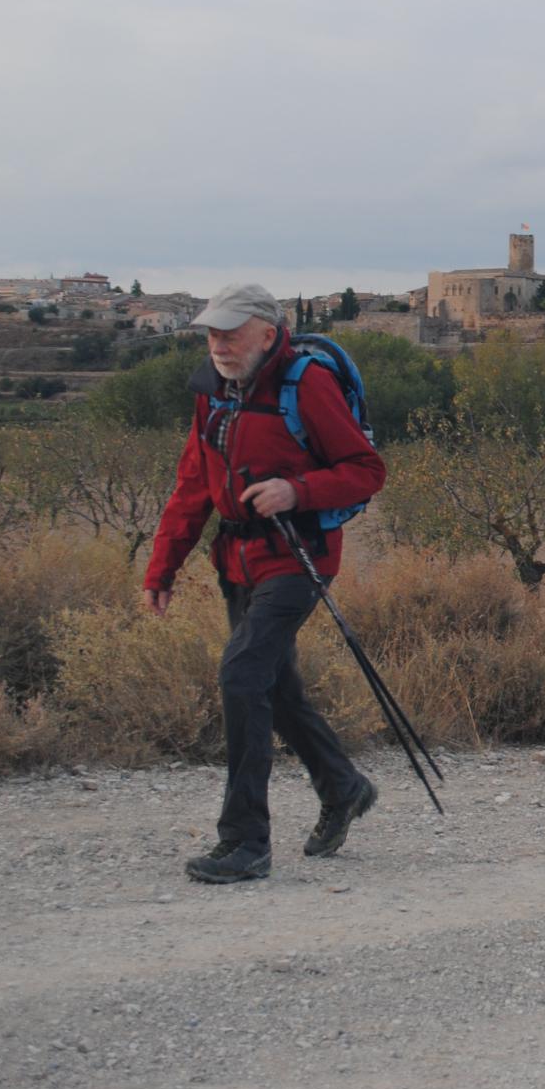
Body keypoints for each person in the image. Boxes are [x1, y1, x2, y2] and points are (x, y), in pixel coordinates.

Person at [144, 284, 387, 885]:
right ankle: (343, 784)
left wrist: (296, 491)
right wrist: (163, 566)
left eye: (230, 332)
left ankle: (245, 841)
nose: (219, 344)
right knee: (274, 688)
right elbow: (192, 486)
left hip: (298, 556)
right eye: (212, 333)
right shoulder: (214, 393)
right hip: (236, 559)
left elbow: (365, 470)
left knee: (242, 673)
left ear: (267, 331)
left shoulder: (306, 384)